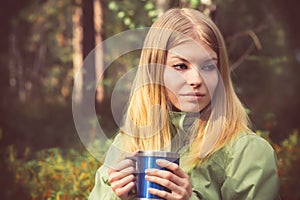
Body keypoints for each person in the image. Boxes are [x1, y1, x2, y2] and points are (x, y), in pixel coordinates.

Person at [89, 8, 280, 200]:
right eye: (181, 66)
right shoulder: (127, 143)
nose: (196, 79)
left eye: (208, 66)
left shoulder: (249, 153)